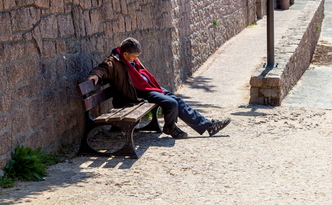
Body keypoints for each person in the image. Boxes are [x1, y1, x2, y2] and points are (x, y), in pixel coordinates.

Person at [87, 38, 231, 139]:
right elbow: (101, 69)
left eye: (137, 57)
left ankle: (207, 126)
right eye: (134, 57)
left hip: (149, 87)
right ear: (125, 54)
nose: (136, 59)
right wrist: (94, 77)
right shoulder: (113, 62)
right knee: (171, 103)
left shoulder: (128, 58)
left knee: (177, 100)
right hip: (136, 94)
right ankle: (170, 127)